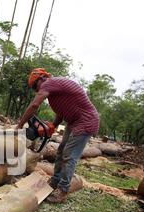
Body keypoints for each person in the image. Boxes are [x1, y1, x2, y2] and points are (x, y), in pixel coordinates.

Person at [16, 68, 100, 204]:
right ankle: (54, 181)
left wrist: (19, 126)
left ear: (41, 79)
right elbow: (61, 112)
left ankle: (63, 190)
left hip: (85, 121)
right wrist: (53, 126)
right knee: (61, 151)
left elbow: (34, 105)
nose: (36, 91)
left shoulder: (48, 84)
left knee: (69, 155)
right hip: (73, 121)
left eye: (34, 87)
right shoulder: (55, 91)